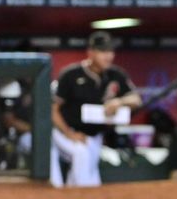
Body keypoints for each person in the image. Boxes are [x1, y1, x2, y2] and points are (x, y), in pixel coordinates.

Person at [51, 32, 142, 187]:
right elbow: (53, 109)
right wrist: (69, 133)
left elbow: (136, 100)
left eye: (111, 51)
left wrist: (119, 102)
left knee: (91, 179)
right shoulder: (71, 74)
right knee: (81, 155)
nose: (108, 56)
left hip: (93, 136)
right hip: (64, 132)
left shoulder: (115, 74)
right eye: (103, 51)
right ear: (91, 52)